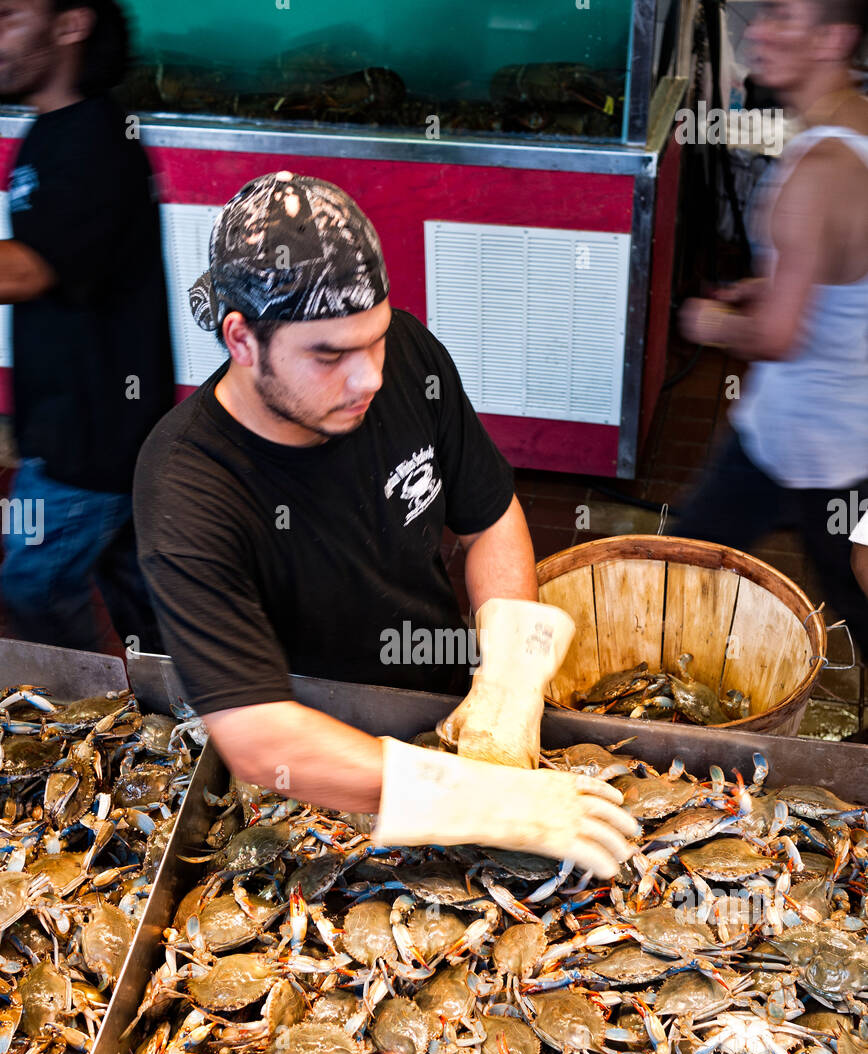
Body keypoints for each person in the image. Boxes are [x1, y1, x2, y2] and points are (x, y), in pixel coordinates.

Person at [134, 172, 637, 875]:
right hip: (313, 770)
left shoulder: (406, 359)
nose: (368, 377)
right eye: (329, 355)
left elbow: (489, 518)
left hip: (440, 709)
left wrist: (509, 679)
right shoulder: (186, 484)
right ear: (241, 340)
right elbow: (256, 735)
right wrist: (480, 799)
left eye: (373, 339)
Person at [675, 0, 868, 654]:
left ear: (833, 39)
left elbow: (783, 337)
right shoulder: (858, 128)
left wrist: (713, 322)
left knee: (684, 567)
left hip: (799, 440)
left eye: (782, 17)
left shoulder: (817, 170)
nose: (756, 32)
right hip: (849, 438)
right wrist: (779, 281)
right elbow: (847, 265)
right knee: (852, 591)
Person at [0, 0, 173, 652]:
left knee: (33, 586)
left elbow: (29, 269)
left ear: (71, 24)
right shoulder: (55, 128)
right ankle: (173, 723)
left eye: (10, 15)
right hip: (90, 426)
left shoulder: (94, 138)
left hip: (91, 436)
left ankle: (81, 717)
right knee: (140, 600)